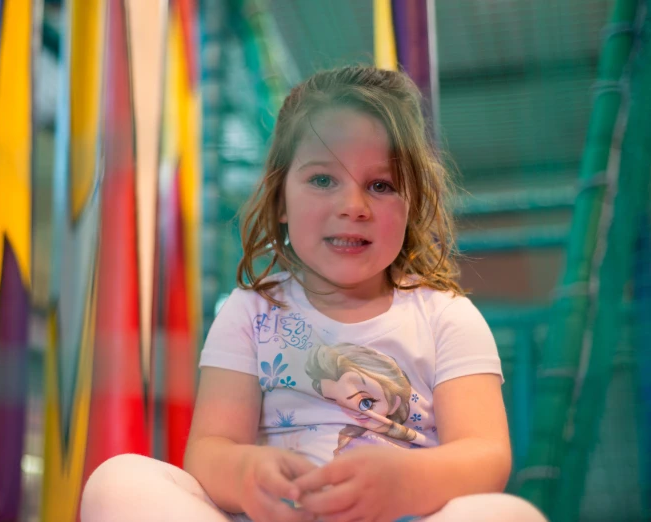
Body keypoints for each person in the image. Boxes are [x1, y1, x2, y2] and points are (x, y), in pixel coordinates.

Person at [81, 65, 547, 522]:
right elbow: (209, 450)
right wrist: (247, 473)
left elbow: (486, 454)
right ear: (281, 198)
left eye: (381, 185)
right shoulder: (252, 313)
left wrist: (407, 481)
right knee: (118, 481)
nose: (352, 206)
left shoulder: (446, 317)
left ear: (413, 204)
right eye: (323, 180)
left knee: (509, 515)